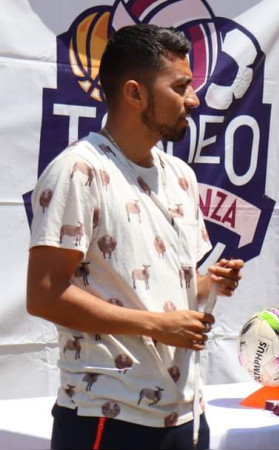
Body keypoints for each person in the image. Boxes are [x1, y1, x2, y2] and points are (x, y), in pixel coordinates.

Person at [26, 24, 244, 450]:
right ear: (134, 93)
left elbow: (164, 291)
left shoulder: (181, 175)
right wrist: (157, 326)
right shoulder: (79, 170)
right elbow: (44, 295)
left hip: (186, 415)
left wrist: (210, 283)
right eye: (180, 86)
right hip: (107, 416)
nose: (194, 99)